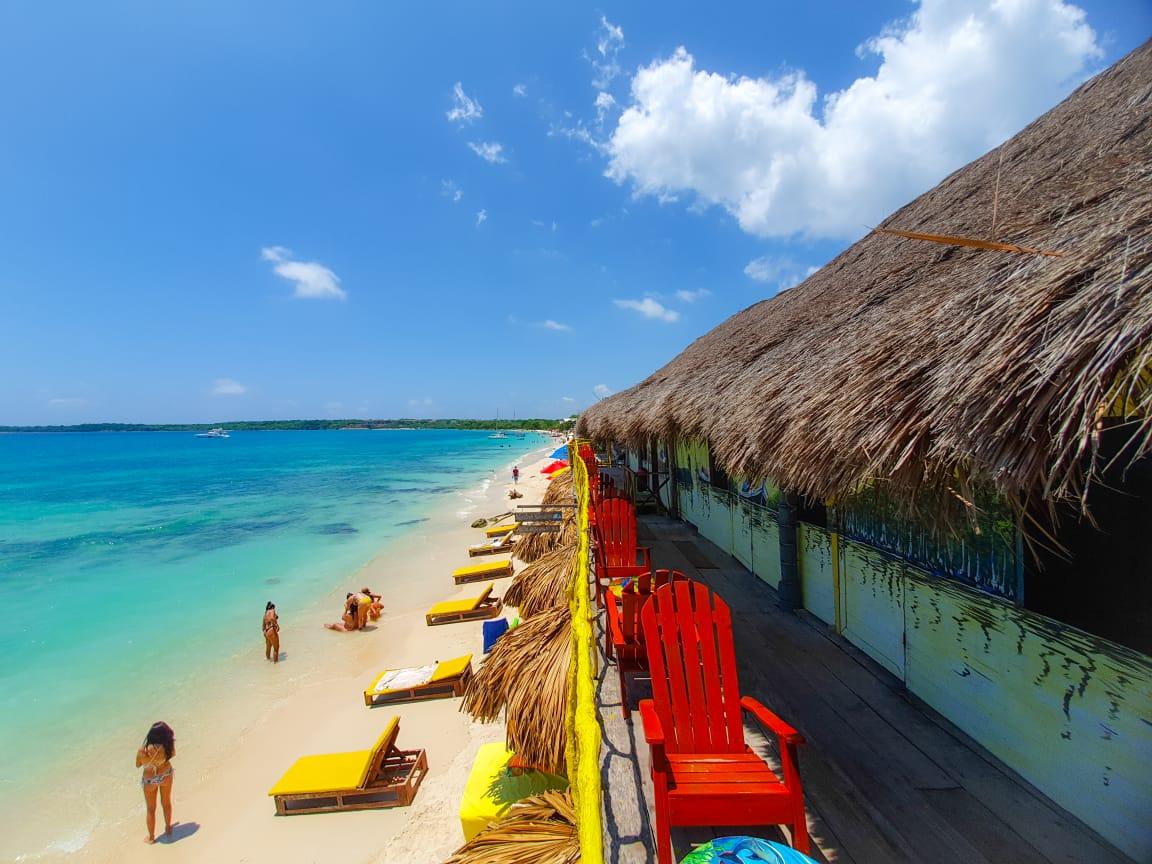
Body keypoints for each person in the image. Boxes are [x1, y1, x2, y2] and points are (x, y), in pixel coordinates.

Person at [136, 721, 175, 844]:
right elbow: (173, 755)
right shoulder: (168, 746)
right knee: (166, 802)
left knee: (151, 809)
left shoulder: (143, 750)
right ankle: (168, 828)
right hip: (166, 774)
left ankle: (151, 837)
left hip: (150, 780)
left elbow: (137, 765)